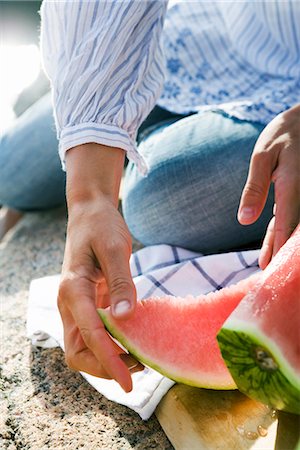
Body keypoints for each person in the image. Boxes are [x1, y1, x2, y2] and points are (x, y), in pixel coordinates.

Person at [0, 1, 299, 393]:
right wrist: (90, 200)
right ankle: (135, 110)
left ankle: (144, 129)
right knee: (12, 173)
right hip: (219, 37)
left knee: (155, 202)